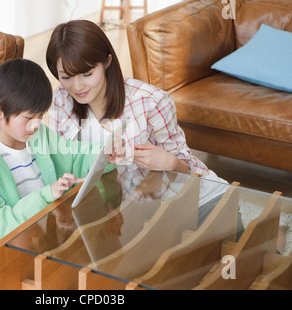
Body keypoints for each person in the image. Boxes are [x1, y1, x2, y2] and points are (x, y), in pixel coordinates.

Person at [45, 20, 290, 252]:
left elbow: (186, 164)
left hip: (189, 194)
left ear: (107, 61)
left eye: (87, 74)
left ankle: (272, 234)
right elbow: (63, 160)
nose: (77, 87)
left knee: (241, 257)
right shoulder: (62, 99)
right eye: (66, 77)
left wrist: (168, 162)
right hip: (125, 209)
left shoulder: (151, 100)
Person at [0, 58, 112, 290]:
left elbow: (76, 156)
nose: (36, 124)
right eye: (29, 118)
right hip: (4, 270)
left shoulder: (38, 137)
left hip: (44, 250)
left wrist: (108, 153)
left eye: (41, 116)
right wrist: (44, 195)